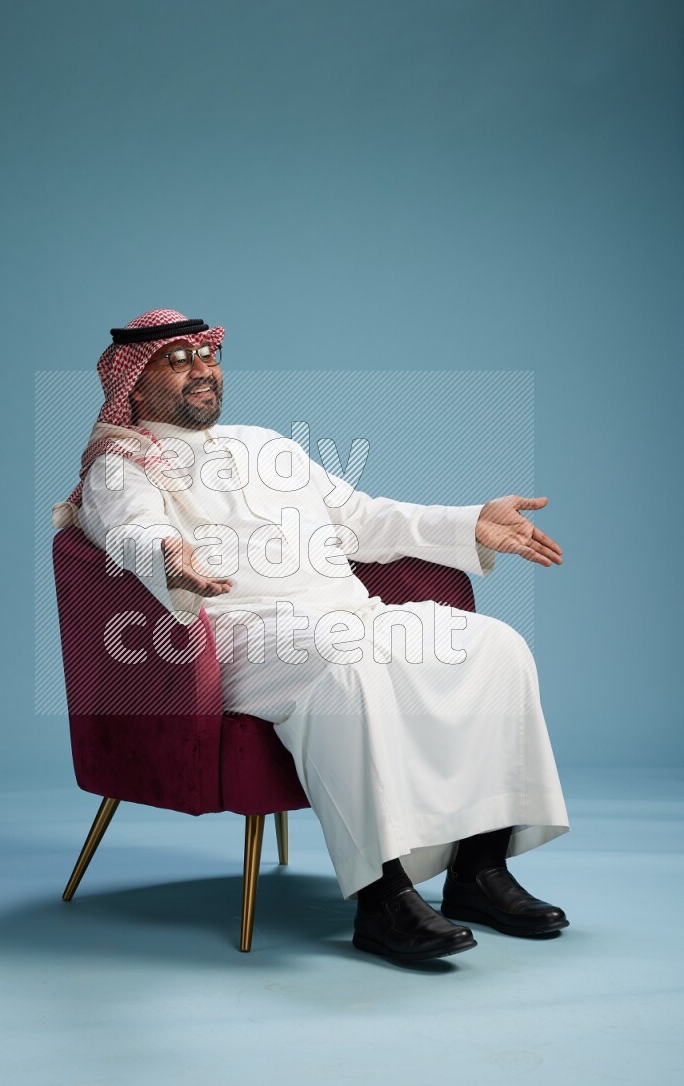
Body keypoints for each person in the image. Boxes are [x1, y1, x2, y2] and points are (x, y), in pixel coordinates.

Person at [53, 307, 570, 965]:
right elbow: (128, 531)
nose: (201, 370)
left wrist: (469, 523)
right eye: (176, 361)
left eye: (206, 355)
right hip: (238, 638)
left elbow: (363, 520)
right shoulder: (121, 466)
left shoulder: (265, 445)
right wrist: (167, 556)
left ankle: (480, 871)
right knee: (346, 667)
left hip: (347, 614)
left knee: (494, 647)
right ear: (132, 382)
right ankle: (382, 899)